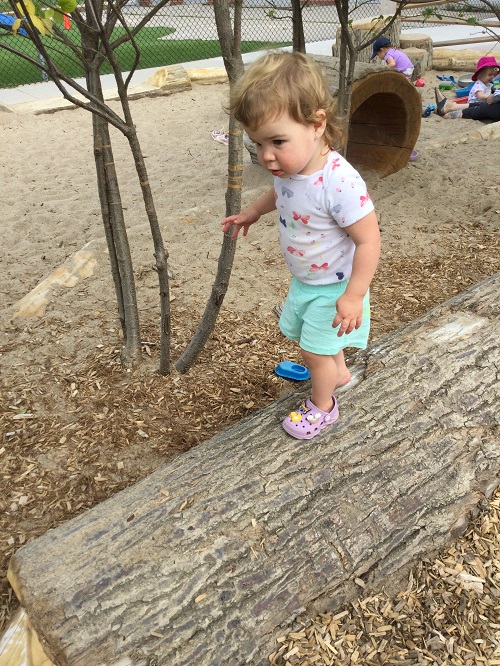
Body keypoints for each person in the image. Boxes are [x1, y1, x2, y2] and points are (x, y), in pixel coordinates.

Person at [220, 52, 381, 441]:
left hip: (336, 288)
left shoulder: (339, 182)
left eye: (277, 141)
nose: (267, 156)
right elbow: (279, 193)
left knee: (312, 352)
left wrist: (354, 295)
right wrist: (252, 213)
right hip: (308, 281)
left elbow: (369, 239)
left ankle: (323, 406)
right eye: (258, 144)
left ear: (316, 124)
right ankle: (338, 373)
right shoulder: (290, 169)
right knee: (317, 345)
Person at [435, 56, 500, 120]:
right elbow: (481, 96)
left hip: (483, 103)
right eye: (489, 75)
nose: (492, 77)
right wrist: (491, 96)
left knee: (482, 107)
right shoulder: (479, 85)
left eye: (493, 75)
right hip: (476, 102)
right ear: (480, 74)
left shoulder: (487, 84)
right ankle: (450, 107)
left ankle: (451, 109)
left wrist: (494, 95)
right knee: (480, 106)